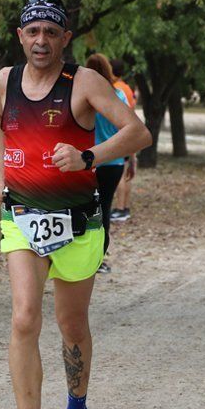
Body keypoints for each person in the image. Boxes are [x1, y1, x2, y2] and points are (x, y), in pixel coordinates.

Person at [0, 0, 151, 409]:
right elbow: (0, 126)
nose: (41, 40)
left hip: (78, 222)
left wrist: (89, 157)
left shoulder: (84, 82)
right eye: (32, 31)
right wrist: (3, 176)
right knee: (23, 319)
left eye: (51, 32)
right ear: (20, 36)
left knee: (71, 325)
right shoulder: (6, 80)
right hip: (22, 216)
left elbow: (137, 132)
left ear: (65, 39)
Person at [84, 53, 128, 274]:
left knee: (87, 208)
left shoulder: (85, 96)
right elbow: (128, 131)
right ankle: (99, 258)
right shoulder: (119, 95)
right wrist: (132, 160)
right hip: (115, 161)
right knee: (105, 208)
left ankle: (84, 255)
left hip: (88, 161)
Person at [109, 58, 136, 223]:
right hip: (128, 134)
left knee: (119, 175)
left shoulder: (117, 89)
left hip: (120, 134)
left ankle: (119, 209)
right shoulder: (127, 87)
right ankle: (125, 207)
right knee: (126, 172)